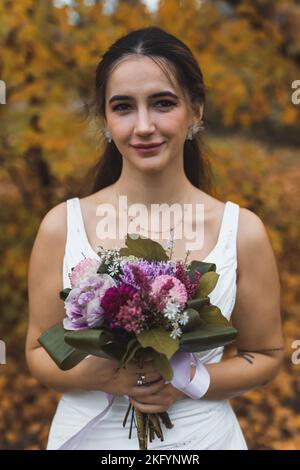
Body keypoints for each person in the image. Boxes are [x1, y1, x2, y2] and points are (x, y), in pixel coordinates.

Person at [26, 26, 284, 450]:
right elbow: (39, 353)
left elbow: (267, 356)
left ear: (196, 110)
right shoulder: (61, 225)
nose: (144, 126)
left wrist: (184, 381)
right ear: (106, 120)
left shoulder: (242, 231)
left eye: (163, 103)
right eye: (123, 107)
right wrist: (109, 374)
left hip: (202, 441)